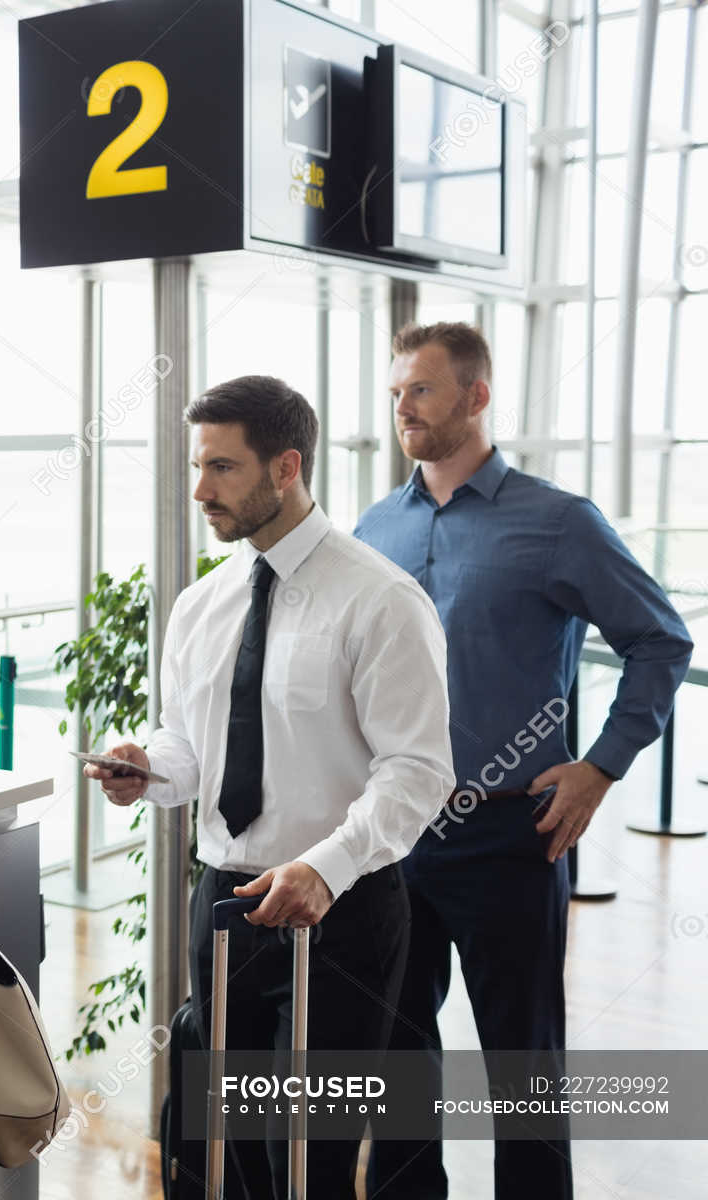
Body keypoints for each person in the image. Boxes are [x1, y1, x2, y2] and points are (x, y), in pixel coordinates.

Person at [88, 376, 454, 1200]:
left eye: (221, 467)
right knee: (232, 1149)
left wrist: (325, 867)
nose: (199, 490)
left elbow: (419, 772)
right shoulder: (199, 606)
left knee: (311, 1157)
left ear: (286, 466)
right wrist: (147, 768)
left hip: (342, 910)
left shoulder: (381, 600)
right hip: (223, 901)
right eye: (196, 465)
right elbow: (191, 746)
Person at [356, 322, 692, 1200]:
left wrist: (601, 767)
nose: (402, 407)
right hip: (392, 832)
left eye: (420, 391)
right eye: (395, 391)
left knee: (522, 1059)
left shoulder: (557, 522)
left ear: (475, 396)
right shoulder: (374, 526)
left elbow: (660, 642)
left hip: (510, 827)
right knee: (395, 1050)